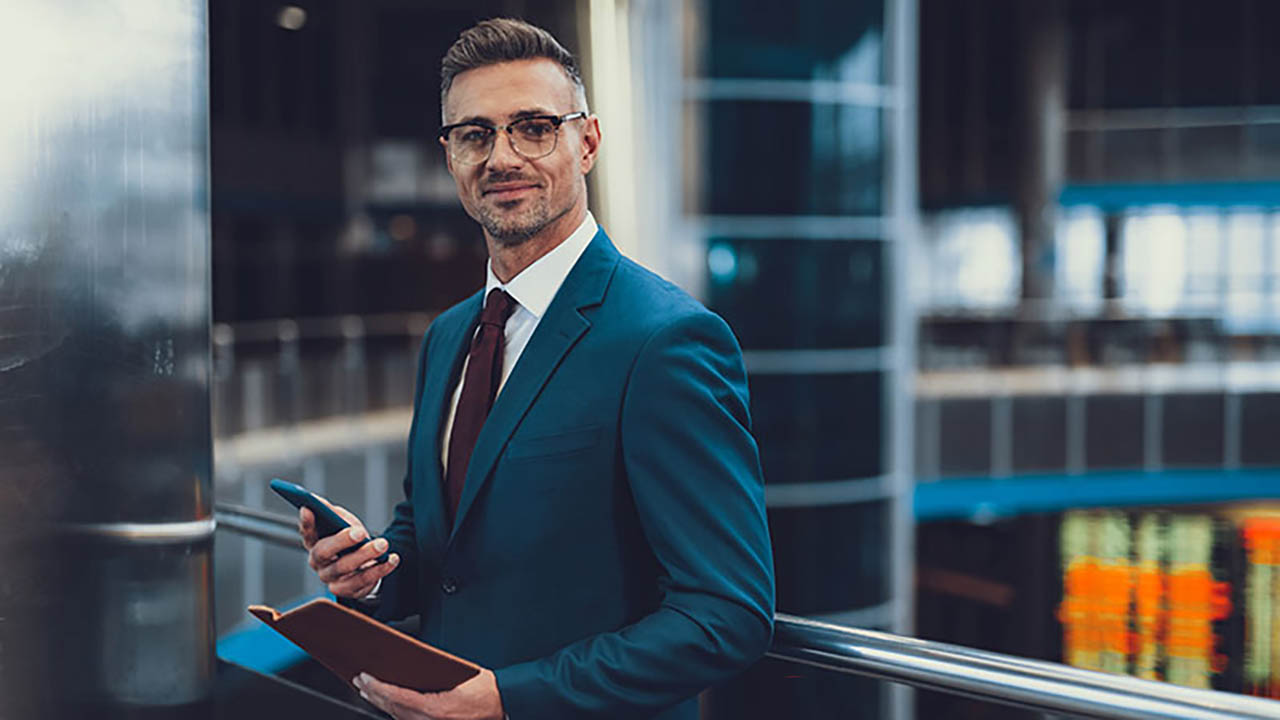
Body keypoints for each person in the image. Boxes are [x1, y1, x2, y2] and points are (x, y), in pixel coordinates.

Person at [297, 17, 774, 720]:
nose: (502, 157)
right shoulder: (450, 335)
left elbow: (726, 614)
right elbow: (442, 548)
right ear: (450, 156)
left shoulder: (666, 340)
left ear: (587, 143)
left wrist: (508, 699)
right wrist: (371, 575)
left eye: (534, 127)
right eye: (475, 134)